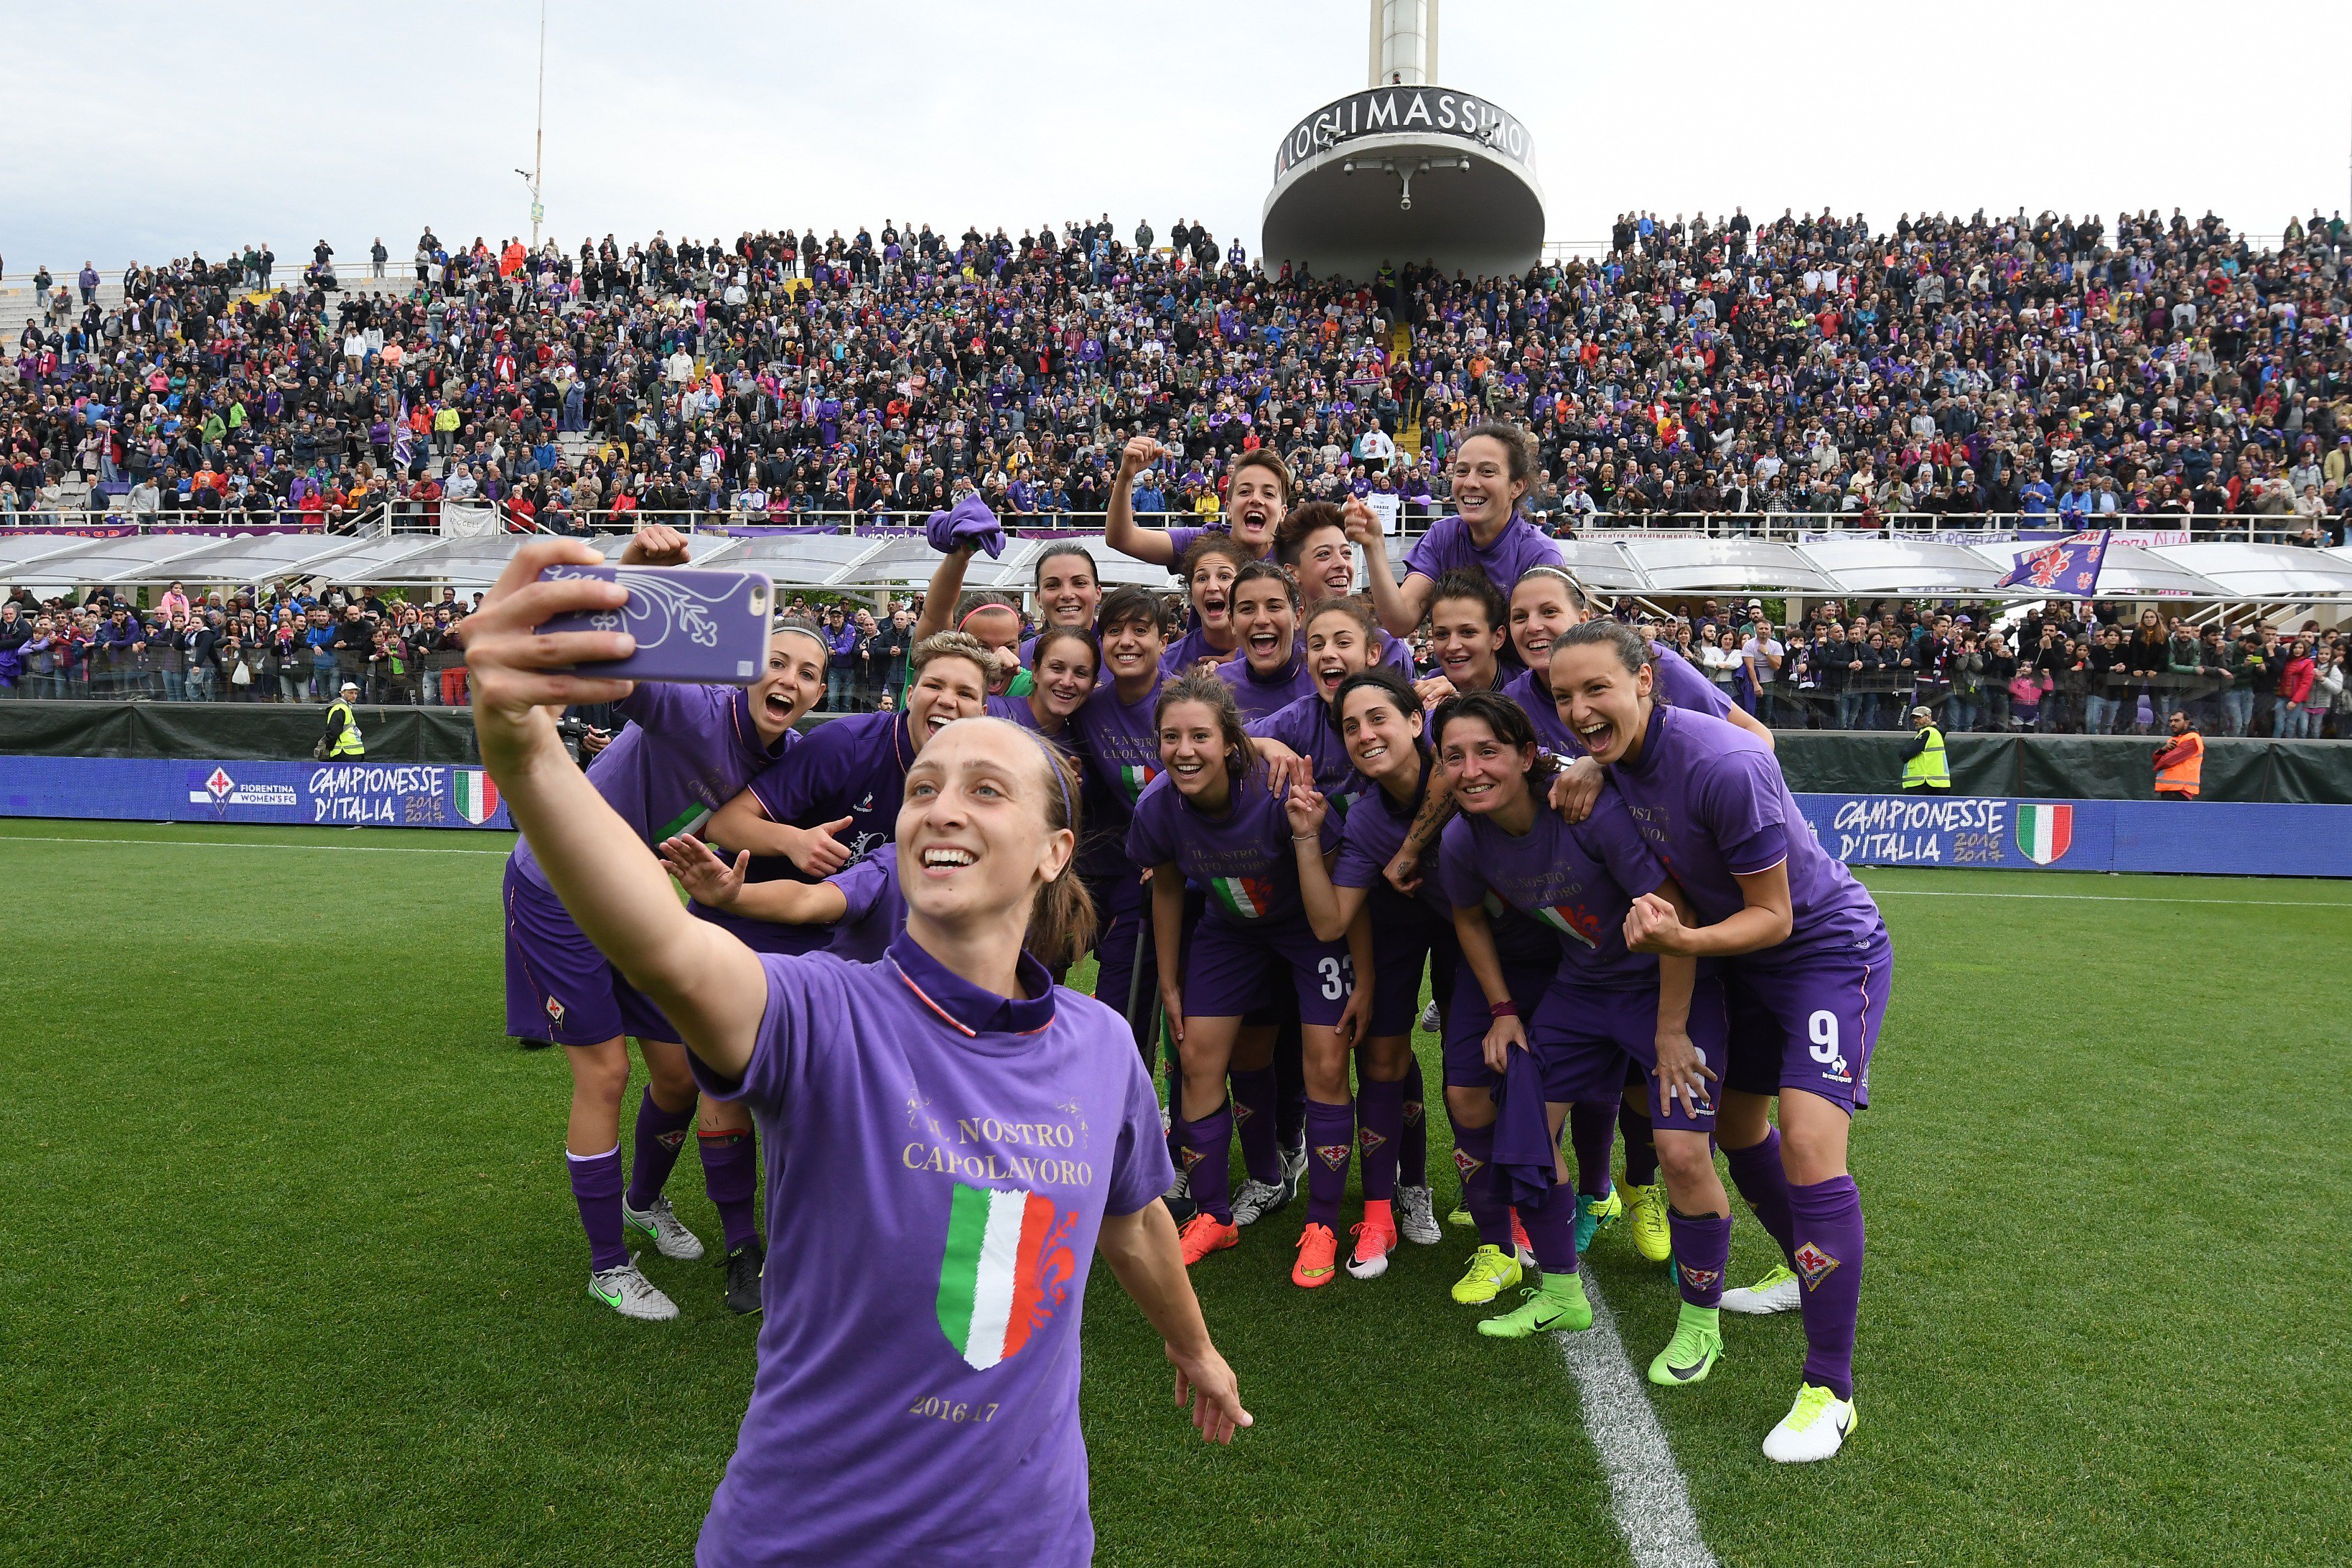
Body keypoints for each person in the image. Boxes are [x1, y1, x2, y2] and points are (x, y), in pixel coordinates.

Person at [464, 539, 1248, 1562]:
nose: (943, 807)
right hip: (807, 1540)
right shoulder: (820, 1016)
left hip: (1029, 1539)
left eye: (987, 789)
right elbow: (662, 944)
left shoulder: (1099, 1045)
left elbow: (1135, 1217)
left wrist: (1195, 1349)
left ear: (1057, 850)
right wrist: (526, 754)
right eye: (923, 788)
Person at [1551, 619, 1892, 1463]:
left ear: (1645, 682)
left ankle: (1831, 1390)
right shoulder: (1616, 766)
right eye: (1564, 696)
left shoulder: (1724, 764)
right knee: (1737, 1130)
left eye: (1598, 688)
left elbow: (1774, 915)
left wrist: (1680, 946)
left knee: (1813, 1146)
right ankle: (1796, 1267)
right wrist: (1596, 759)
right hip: (1740, 964)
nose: (1580, 709)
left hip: (1821, 952)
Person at [498, 525, 831, 1318]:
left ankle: (642, 1203)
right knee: (606, 1073)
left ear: (821, 694)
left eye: (810, 673)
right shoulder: (694, 708)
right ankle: (607, 1265)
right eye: (778, 661)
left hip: (640, 901)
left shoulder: (788, 759)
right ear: (751, 665)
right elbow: (604, 650)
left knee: (680, 1074)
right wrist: (636, 574)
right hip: (559, 890)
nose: (790, 679)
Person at [1431, 691, 1735, 1370]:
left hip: (1669, 986)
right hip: (1581, 990)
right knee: (1526, 1132)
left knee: (1683, 1155)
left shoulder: (1583, 809)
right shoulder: (1461, 838)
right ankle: (1562, 1293)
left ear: (1527, 755)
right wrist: (1504, 1009)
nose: (1472, 769)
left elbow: (1672, 911)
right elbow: (1469, 919)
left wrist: (1671, 1028)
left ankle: (1701, 1323)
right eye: (1454, 756)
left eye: (1488, 752)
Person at [1129, 674, 1367, 1278]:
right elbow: (1165, 894)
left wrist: (1363, 974)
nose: (1184, 750)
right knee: (1200, 1057)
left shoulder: (1278, 786)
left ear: (1232, 742)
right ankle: (1214, 1215)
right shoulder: (1157, 806)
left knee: (1327, 1063)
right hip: (1229, 931)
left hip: (1310, 931)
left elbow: (1345, 885)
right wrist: (1173, 985)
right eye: (1170, 737)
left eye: (1200, 736)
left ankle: (1321, 1223)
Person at [1349, 422, 1564, 636]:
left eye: (1487, 472)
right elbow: (1399, 622)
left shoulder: (1540, 555)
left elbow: (1549, 646)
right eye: (1462, 471)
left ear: (1516, 486)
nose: (1470, 482)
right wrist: (1374, 545)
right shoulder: (1442, 537)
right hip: (1456, 668)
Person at [2152, 709, 2203, 799]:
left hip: (2180, 789)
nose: (2173, 724)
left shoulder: (2192, 738)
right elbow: (2156, 760)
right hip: (2170, 789)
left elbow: (2167, 761)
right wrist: (2163, 750)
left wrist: (2158, 764)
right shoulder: (2174, 740)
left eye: (2177, 721)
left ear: (2186, 723)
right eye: (2171, 721)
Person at [1899, 706, 1949, 793]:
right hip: (1935, 784)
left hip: (1926, 783)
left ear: (1929, 717)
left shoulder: (1928, 732)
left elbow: (1907, 755)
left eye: (1919, 717)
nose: (1915, 721)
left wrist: (1902, 752)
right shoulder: (1934, 732)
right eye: (1914, 718)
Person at [321, 681, 365, 757]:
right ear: (342, 693)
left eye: (356, 693)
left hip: (349, 752)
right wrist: (329, 747)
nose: (354, 696)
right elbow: (333, 731)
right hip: (345, 752)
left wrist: (328, 747)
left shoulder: (345, 708)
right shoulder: (340, 708)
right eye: (351, 693)